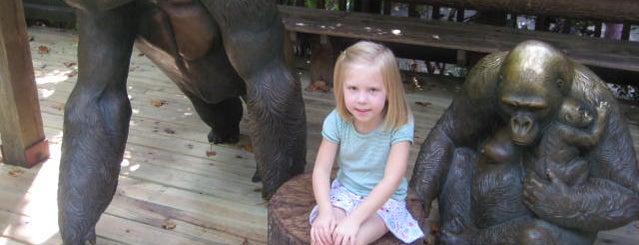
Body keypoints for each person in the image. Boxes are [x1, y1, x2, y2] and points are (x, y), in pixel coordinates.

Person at [309, 41, 424, 245]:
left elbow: (391, 180)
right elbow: (321, 170)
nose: (362, 99)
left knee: (350, 241)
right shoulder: (337, 120)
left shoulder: (400, 123)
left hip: (384, 201)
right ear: (341, 88)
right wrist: (326, 212)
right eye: (353, 88)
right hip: (345, 192)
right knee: (324, 236)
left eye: (373, 90)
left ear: (389, 90)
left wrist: (354, 220)